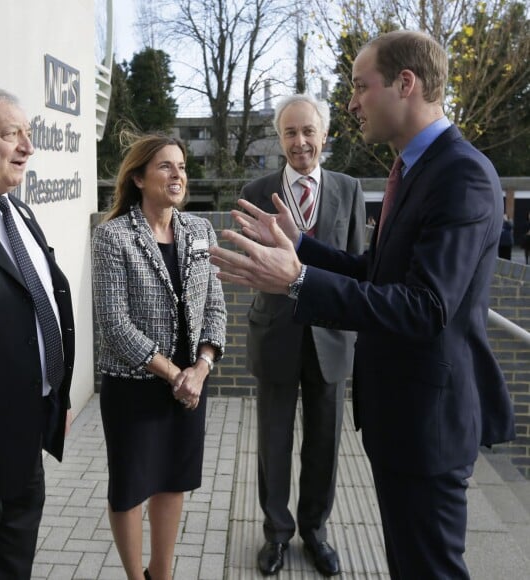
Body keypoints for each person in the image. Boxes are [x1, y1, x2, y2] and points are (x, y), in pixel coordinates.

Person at [209, 30, 515, 579]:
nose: (350, 102)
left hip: (429, 426)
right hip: (399, 420)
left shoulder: (461, 175)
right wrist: (301, 247)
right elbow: (377, 273)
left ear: (405, 83)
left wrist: (299, 279)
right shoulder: (415, 170)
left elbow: (424, 307)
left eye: (359, 86)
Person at [0, 88, 75, 578]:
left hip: (25, 443)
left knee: (14, 564)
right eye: (11, 134)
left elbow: (42, 308)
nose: (28, 146)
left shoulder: (18, 211)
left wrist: (57, 398)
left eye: (29, 133)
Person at [91, 133, 227, 580]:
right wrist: (175, 375)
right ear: (139, 177)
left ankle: (161, 574)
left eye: (182, 167)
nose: (178, 175)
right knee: (130, 490)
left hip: (190, 386)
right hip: (135, 387)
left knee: (173, 481)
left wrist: (201, 368)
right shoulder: (112, 237)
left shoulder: (200, 230)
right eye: (166, 166)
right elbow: (114, 324)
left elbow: (215, 307)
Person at [241, 94, 365, 577]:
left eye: (308, 131)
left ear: (324, 136)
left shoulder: (349, 189)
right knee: (272, 442)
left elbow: (356, 268)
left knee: (324, 443)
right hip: (276, 333)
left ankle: (315, 531)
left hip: (331, 338)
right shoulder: (257, 189)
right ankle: (276, 534)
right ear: (280, 138)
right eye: (290, 133)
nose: (300, 142)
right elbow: (252, 264)